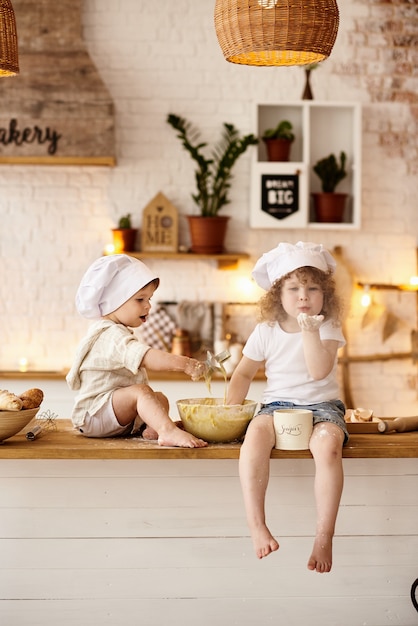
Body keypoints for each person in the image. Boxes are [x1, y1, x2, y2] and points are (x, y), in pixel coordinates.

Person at [226, 241, 348, 573]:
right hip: (275, 406)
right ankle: (256, 525)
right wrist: (228, 411)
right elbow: (243, 373)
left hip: (323, 408)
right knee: (254, 440)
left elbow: (319, 370)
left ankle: (325, 535)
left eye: (312, 288)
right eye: (293, 288)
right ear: (278, 296)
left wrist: (310, 332)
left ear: (325, 295)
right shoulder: (266, 330)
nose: (303, 296)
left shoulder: (328, 326)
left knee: (327, 448)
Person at [66, 254, 208, 448]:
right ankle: (167, 431)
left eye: (149, 298)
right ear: (114, 301)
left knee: (159, 398)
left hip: (114, 414)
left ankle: (155, 429)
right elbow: (146, 357)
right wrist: (184, 363)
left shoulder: (118, 331)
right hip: (94, 415)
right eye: (140, 299)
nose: (148, 306)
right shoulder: (110, 334)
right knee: (141, 392)